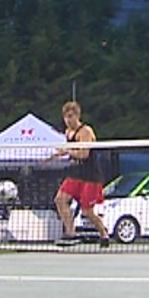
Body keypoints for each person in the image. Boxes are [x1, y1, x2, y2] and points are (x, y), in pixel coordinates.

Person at [47, 101, 110, 248]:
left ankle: (103, 233)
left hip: (91, 176)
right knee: (60, 200)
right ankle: (70, 233)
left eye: (71, 116)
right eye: (65, 117)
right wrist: (60, 153)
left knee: (87, 211)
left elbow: (83, 154)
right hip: (76, 174)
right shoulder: (68, 132)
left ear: (77, 116)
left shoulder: (86, 132)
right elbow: (71, 149)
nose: (68, 120)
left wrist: (69, 151)